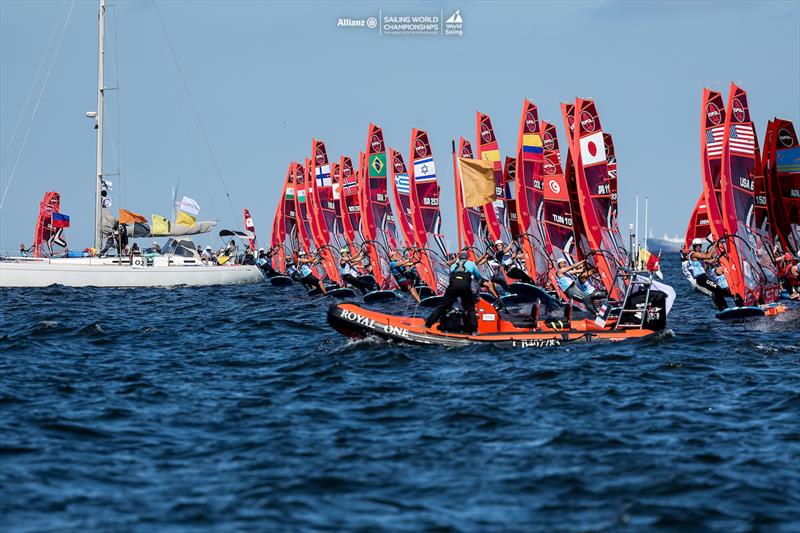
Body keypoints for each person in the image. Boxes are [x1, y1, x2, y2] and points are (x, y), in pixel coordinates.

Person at [425, 250, 482, 332]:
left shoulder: (453, 265)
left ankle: (428, 324)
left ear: (459, 257)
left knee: (443, 305)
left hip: (453, 286)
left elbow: (452, 276)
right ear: (467, 258)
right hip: (465, 286)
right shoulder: (472, 264)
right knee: (470, 308)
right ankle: (473, 330)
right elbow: (478, 277)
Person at [687, 238, 735, 310]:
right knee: (717, 289)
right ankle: (723, 307)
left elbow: (710, 260)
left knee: (718, 290)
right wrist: (715, 245)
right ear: (693, 246)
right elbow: (708, 256)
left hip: (703, 278)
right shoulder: (694, 254)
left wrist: (719, 257)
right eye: (696, 246)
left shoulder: (699, 257)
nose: (698, 247)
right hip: (701, 278)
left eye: (700, 246)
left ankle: (723, 307)